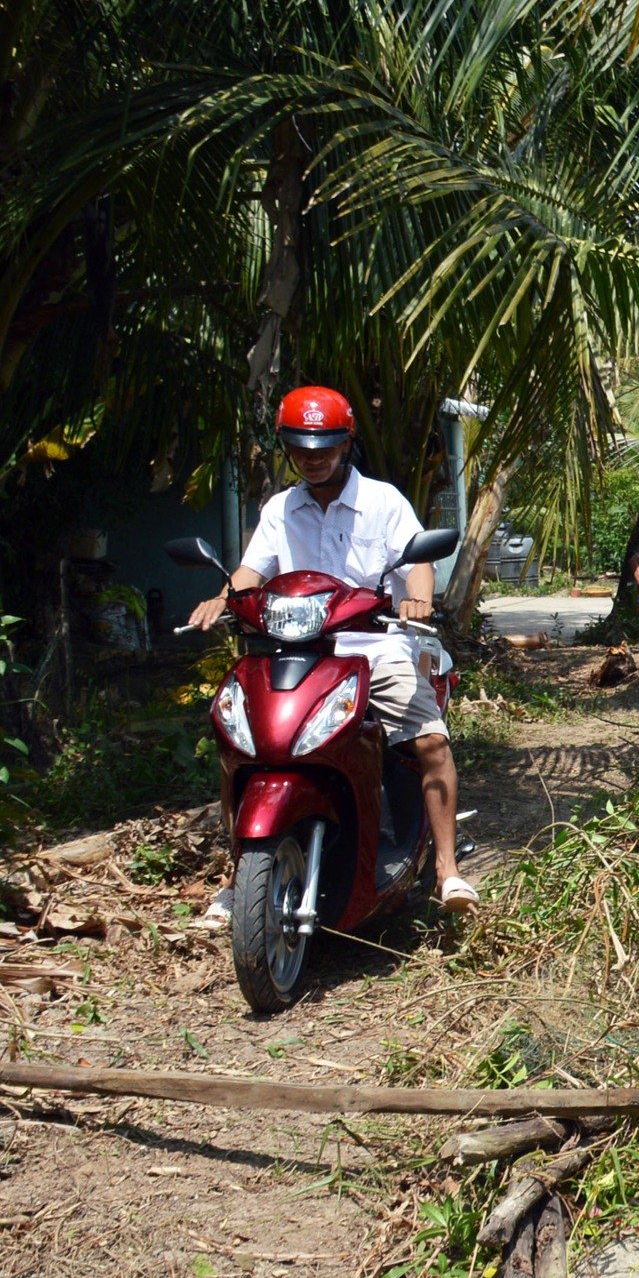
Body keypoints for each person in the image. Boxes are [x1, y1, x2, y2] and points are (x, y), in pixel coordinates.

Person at [189, 386, 478, 914]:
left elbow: (418, 560)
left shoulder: (383, 501)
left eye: (323, 445)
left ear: (345, 443)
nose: (313, 457)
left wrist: (416, 600)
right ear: (287, 446)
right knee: (239, 749)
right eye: (301, 447)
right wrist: (222, 597)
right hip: (296, 649)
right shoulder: (281, 509)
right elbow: (254, 570)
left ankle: (447, 871)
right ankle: (240, 876)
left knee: (429, 743)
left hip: (374, 644)